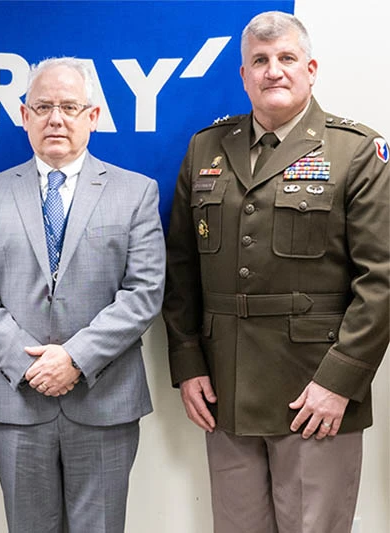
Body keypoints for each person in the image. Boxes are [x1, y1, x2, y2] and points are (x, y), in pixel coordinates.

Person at [164, 11, 389, 533]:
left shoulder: (355, 150)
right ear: (244, 75)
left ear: (311, 69)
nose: (273, 71)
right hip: (225, 389)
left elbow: (380, 280)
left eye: (287, 58)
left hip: (314, 391)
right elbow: (180, 267)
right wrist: (188, 363)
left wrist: (339, 381)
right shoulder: (206, 147)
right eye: (260, 61)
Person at [0, 57, 165, 533]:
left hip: (105, 401)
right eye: (43, 107)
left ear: (93, 116)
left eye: (70, 107)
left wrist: (75, 358)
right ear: (24, 116)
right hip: (20, 403)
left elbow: (144, 293)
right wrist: (30, 364)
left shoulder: (136, 193)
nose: (56, 119)